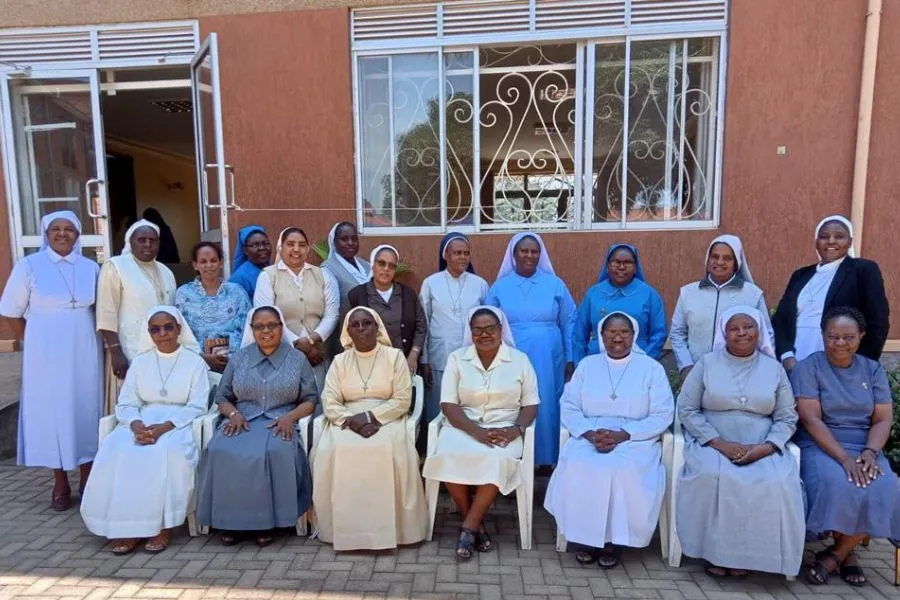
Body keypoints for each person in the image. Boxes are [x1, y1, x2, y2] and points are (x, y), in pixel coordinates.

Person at [675, 306, 804, 578]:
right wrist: (719, 443)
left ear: (759, 331)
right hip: (712, 439)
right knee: (711, 475)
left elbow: (786, 416)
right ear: (725, 333)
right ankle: (715, 554)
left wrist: (766, 447)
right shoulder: (707, 364)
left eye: (748, 327)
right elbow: (686, 409)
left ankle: (754, 557)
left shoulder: (775, 368)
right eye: (734, 328)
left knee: (778, 481)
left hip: (761, 442)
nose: (742, 333)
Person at [545, 312, 674, 569]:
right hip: (591, 433)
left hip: (636, 437)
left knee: (621, 467)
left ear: (633, 335)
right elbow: (569, 405)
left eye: (624, 332)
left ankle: (614, 541)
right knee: (581, 464)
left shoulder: (651, 368)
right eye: (611, 332)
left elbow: (663, 413)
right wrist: (590, 434)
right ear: (601, 336)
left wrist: (624, 434)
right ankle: (586, 536)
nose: (617, 338)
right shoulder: (588, 365)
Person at [80, 307, 209, 555]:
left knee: (166, 451)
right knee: (116, 448)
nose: (163, 333)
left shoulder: (195, 363)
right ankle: (126, 528)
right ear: (148, 333)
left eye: (168, 327)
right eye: (155, 329)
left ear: (179, 329)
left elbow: (197, 404)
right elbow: (127, 402)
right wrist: (137, 425)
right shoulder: (140, 362)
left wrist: (163, 428)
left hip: (177, 423)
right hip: (142, 419)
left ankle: (161, 528)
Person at [0, 211, 103, 511]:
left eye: (69, 229)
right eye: (55, 229)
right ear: (45, 233)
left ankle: (87, 478)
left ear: (78, 234)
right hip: (45, 354)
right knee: (54, 414)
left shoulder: (90, 267)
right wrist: (31, 341)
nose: (62, 234)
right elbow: (10, 311)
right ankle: (60, 481)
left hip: (85, 349)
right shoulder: (29, 266)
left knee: (86, 408)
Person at [791, 306, 900, 587]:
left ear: (861, 336)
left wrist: (869, 453)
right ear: (823, 336)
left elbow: (883, 418)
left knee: (885, 486)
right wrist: (844, 459)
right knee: (836, 482)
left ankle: (836, 555)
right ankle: (846, 555)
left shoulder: (872, 369)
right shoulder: (808, 367)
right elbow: (811, 419)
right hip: (821, 443)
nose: (840, 343)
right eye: (833, 337)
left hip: (864, 444)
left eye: (848, 337)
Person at [196, 305, 317, 548]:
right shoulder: (239, 358)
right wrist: (233, 413)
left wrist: (291, 417)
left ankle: (268, 524)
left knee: (276, 451)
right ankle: (229, 523)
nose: (266, 331)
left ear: (281, 328)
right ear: (251, 330)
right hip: (243, 420)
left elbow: (311, 400)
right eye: (259, 326)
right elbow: (222, 397)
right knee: (221, 450)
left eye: (272, 325)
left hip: (279, 421)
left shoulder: (297, 358)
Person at [422, 306, 538, 559]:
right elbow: (448, 405)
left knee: (496, 459)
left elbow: (531, 404)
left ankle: (469, 527)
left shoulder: (520, 361)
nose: (484, 334)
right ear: (470, 332)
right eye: (478, 330)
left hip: (505, 429)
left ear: (501, 330)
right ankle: (475, 525)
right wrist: (476, 432)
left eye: (490, 329)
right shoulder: (457, 359)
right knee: (448, 453)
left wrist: (516, 429)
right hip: (464, 426)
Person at [312, 307, 428, 551]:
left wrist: (370, 417)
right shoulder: (339, 361)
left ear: (377, 328)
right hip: (346, 418)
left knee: (392, 448)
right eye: (356, 325)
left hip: (387, 416)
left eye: (367, 323)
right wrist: (351, 420)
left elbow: (402, 400)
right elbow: (330, 401)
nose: (362, 329)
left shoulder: (395, 357)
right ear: (348, 331)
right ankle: (346, 531)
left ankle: (392, 531)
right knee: (331, 450)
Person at [486, 232, 575, 468]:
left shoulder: (555, 284)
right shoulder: (499, 286)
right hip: (511, 351)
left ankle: (546, 459)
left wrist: (571, 357)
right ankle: (514, 456)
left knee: (545, 401)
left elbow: (569, 322)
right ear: (514, 254)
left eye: (534, 251)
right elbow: (487, 321)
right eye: (523, 251)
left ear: (540, 254)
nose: (529, 255)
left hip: (548, 354)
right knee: (513, 400)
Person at [96, 219, 198, 414]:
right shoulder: (115, 267)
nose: (147, 244)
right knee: (130, 403)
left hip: (162, 350)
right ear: (130, 242)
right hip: (128, 349)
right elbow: (105, 312)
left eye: (153, 240)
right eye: (141, 239)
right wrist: (116, 352)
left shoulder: (166, 271)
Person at [773, 215, 889, 368]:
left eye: (839, 236)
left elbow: (878, 322)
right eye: (824, 237)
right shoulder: (800, 275)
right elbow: (781, 319)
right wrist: (786, 355)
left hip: (839, 358)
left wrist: (860, 364)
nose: (831, 241)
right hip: (795, 357)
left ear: (850, 242)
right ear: (816, 242)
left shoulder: (862, 270)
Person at [670, 234, 774, 378]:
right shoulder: (688, 293)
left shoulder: (753, 295)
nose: (719, 262)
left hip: (740, 374)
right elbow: (677, 333)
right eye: (715, 256)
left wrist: (759, 371)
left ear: (736, 262)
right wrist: (686, 366)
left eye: (727, 258)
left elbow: (766, 335)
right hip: (696, 372)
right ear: (707, 259)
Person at [254, 227, 338, 392]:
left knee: (318, 401)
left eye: (301, 245)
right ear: (281, 247)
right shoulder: (267, 276)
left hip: (317, 354)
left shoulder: (322, 275)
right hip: (282, 353)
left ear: (307, 249)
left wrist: (312, 340)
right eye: (290, 244)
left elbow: (332, 314)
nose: (296, 249)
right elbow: (265, 318)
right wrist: (299, 345)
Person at [419, 233, 489, 427]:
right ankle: (436, 448)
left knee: (470, 404)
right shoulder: (430, 283)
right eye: (457, 253)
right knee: (439, 404)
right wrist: (424, 360)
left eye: (466, 253)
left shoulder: (480, 284)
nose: (463, 257)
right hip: (440, 355)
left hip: (472, 356)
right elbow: (423, 323)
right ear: (445, 255)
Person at [574, 244, 666, 362]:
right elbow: (579, 333)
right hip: (597, 361)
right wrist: (580, 363)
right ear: (607, 266)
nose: (621, 267)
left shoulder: (649, 294)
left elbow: (659, 334)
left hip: (637, 362)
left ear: (636, 267)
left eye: (628, 262)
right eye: (616, 262)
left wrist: (644, 362)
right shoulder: (593, 293)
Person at [348, 245, 427, 375]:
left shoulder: (408, 294)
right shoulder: (357, 295)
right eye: (381, 263)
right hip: (368, 366)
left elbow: (421, 326)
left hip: (404, 364)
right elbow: (349, 330)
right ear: (372, 265)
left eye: (391, 265)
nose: (386, 269)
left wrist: (414, 355)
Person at [175, 242, 251, 374]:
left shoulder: (236, 292)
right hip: (196, 363)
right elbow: (180, 332)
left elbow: (247, 328)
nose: (209, 265)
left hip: (235, 362)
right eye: (203, 261)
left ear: (221, 263)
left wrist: (230, 356)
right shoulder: (184, 294)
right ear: (195, 265)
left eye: (213, 260)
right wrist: (204, 357)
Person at [321, 221, 371, 358]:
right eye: (344, 239)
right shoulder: (328, 269)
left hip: (370, 335)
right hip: (344, 338)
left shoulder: (366, 266)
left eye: (354, 239)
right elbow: (333, 310)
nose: (350, 242)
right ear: (334, 242)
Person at [228, 225, 271, 299]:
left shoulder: (271, 271)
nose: (262, 248)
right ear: (245, 250)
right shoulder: (238, 278)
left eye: (265, 243)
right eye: (255, 245)